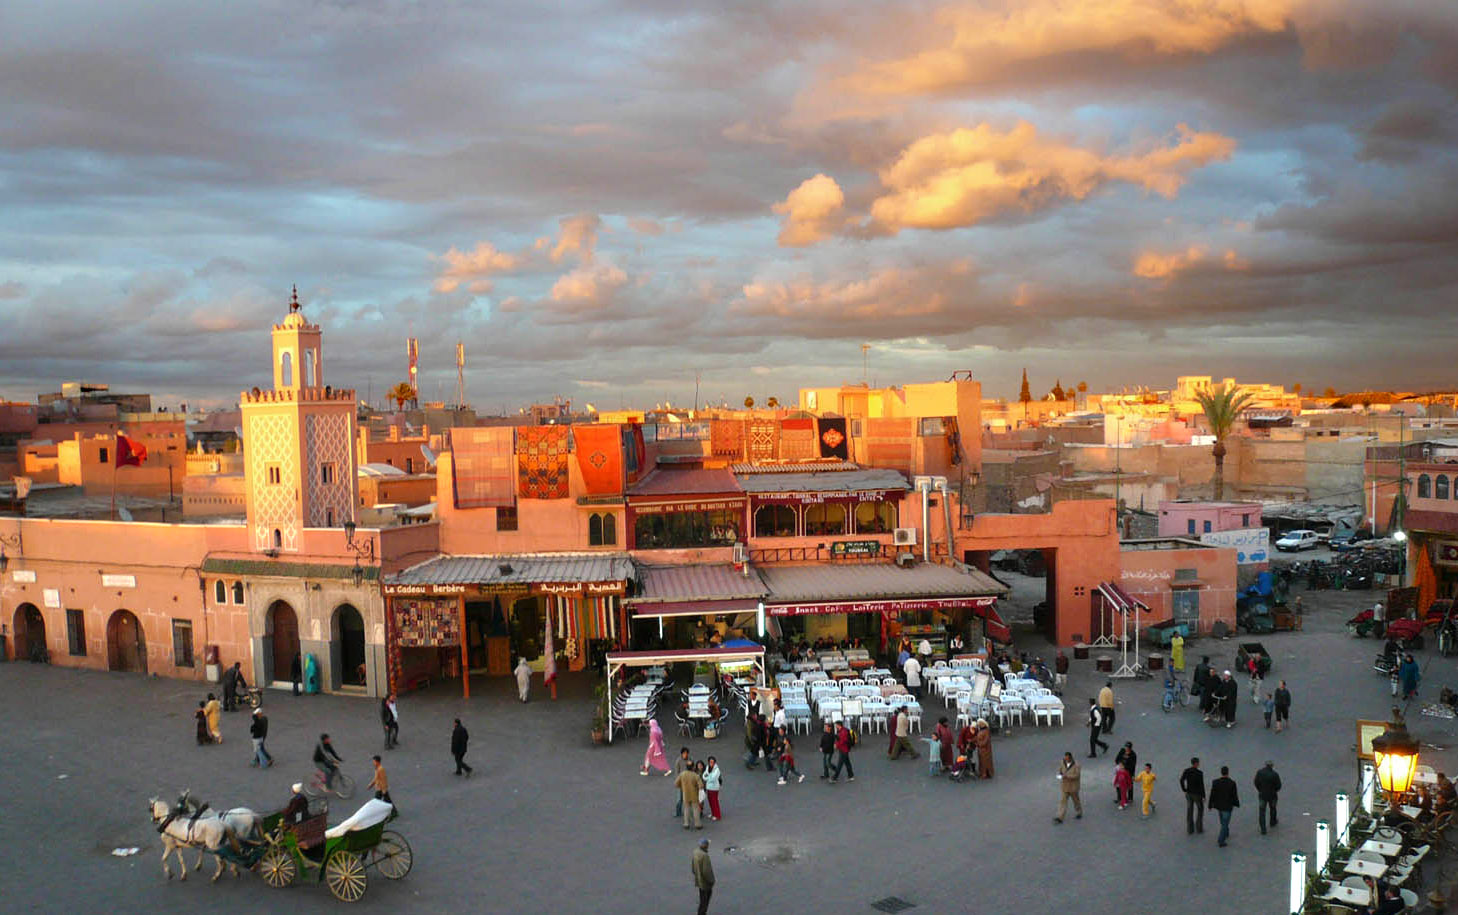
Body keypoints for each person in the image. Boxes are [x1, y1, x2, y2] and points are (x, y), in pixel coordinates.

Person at [1209, 765, 1240, 847]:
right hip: (1228, 806)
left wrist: (1210, 804)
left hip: (1219, 805)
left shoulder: (1215, 782)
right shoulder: (1232, 783)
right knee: (1225, 822)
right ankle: (1221, 840)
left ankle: (1225, 832)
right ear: (1228, 773)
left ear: (1221, 772)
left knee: (1223, 821)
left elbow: (1212, 794)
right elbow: (1234, 795)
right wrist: (1236, 803)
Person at [1254, 760, 1282, 835]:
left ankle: (1263, 829)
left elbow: (1256, 782)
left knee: (1262, 811)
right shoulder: (1275, 774)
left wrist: (1260, 789)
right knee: (1273, 808)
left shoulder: (1259, 772)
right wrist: (1275, 790)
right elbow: (1279, 786)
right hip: (1272, 795)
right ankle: (1272, 821)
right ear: (1272, 766)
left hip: (1262, 794)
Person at [1054, 752, 1082, 824]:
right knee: (1063, 802)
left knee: (1076, 801)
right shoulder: (1062, 762)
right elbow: (1060, 771)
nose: (1066, 760)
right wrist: (1060, 775)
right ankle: (1060, 817)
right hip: (1065, 786)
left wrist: (1067, 776)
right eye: (1065, 758)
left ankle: (1079, 812)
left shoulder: (1077, 765)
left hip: (1073, 787)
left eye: (1067, 758)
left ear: (1071, 758)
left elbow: (1077, 775)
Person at [676, 761, 705, 830]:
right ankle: (697, 824)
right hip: (694, 794)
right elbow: (701, 785)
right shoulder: (695, 775)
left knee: (686, 809)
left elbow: (676, 783)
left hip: (685, 794)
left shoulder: (682, 774)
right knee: (695, 809)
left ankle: (686, 823)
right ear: (693, 767)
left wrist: (682, 787)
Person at [1180, 757, 1206, 834]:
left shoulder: (1187, 771)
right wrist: (1204, 796)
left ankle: (1190, 829)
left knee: (1190, 810)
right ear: (1196, 763)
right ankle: (1199, 828)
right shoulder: (1199, 773)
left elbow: (1181, 780)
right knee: (1200, 809)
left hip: (1189, 793)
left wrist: (1184, 789)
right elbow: (1201, 785)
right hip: (1197, 795)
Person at [692, 838, 715, 915]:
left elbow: (693, 867)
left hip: (699, 880)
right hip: (705, 883)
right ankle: (702, 913)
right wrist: (712, 881)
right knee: (705, 900)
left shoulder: (695, 852)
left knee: (702, 898)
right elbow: (706, 871)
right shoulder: (705, 856)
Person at [829, 719, 856, 783]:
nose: (835, 727)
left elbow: (842, 741)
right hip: (845, 749)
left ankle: (834, 778)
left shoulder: (843, 732)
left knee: (839, 765)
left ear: (839, 725)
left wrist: (836, 745)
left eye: (836, 725)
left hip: (843, 750)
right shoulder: (843, 730)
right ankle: (851, 775)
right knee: (847, 763)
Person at [673, 747, 694, 818]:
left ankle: (691, 812)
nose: (685, 755)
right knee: (679, 799)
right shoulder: (678, 761)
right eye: (684, 753)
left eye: (686, 753)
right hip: (681, 782)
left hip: (689, 782)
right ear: (681, 754)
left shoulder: (690, 759)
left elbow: (693, 770)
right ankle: (678, 812)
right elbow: (676, 772)